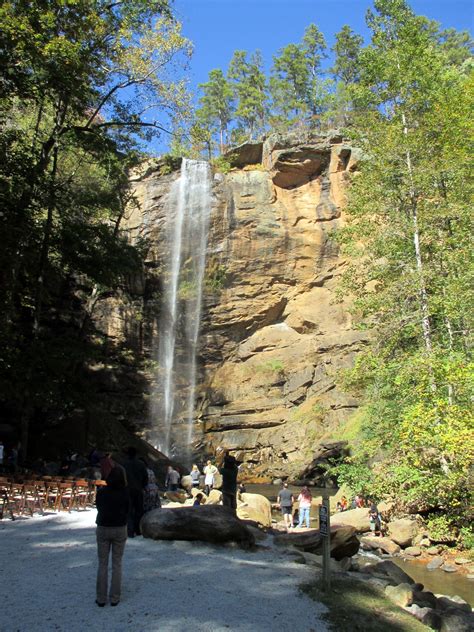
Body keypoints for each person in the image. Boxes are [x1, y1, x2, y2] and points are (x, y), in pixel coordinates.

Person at [95, 466, 130, 607]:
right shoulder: (125, 493)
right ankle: (115, 597)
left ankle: (101, 598)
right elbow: (128, 510)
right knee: (117, 564)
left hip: (103, 527)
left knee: (102, 563)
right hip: (120, 528)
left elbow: (98, 507)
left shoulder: (102, 492)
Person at [122, 447, 148, 538]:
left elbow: (121, 477)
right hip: (138, 489)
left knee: (129, 510)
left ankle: (130, 530)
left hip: (127, 489)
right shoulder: (141, 464)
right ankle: (138, 530)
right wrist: (143, 486)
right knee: (139, 510)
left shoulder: (124, 464)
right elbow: (145, 477)